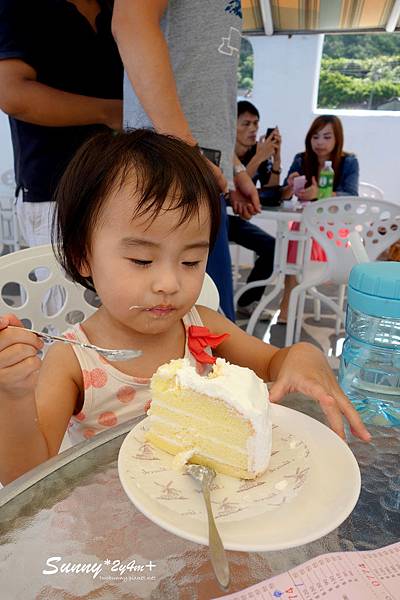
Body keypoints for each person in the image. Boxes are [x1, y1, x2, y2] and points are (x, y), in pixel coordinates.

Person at [0, 129, 370, 485]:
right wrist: (14, 396)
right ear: (83, 257)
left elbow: (275, 362)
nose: (169, 284)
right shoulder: (73, 360)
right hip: (109, 526)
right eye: (142, 260)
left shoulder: (200, 325)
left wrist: (303, 354)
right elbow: (27, 476)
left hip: (200, 505)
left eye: (191, 262)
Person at [112, 0, 261, 322]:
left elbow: (208, 96)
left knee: (207, 326)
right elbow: (130, 21)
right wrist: (185, 149)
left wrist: (234, 170)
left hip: (198, 165)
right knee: (191, 328)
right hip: (170, 167)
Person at [0, 0, 123, 253]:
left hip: (121, 187)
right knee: (68, 292)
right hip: (55, 194)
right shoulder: (19, 6)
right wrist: (109, 112)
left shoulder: (115, 8)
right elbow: (11, 94)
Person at [279, 115, 359, 322]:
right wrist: (289, 186)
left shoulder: (349, 161)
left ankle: (297, 292)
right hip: (305, 222)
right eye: (315, 137)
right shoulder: (301, 159)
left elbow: (351, 197)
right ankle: (288, 299)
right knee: (296, 232)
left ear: (337, 139)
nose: (320, 143)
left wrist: (321, 194)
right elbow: (284, 196)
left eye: (326, 137)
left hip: (335, 225)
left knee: (297, 235)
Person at [232, 101, 280, 317]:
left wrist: (276, 157)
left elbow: (271, 190)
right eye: (246, 124)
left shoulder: (256, 152)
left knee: (273, 247)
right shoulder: (223, 151)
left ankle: (246, 301)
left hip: (236, 220)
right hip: (216, 217)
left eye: (256, 124)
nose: (253, 129)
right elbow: (233, 183)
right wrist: (260, 156)